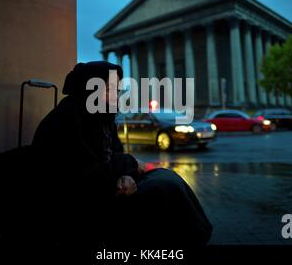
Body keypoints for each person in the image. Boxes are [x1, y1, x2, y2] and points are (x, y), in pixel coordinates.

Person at [31, 61, 212, 247]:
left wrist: (127, 175)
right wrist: (130, 164)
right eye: (108, 89)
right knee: (163, 187)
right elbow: (83, 175)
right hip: (78, 207)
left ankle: (195, 237)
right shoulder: (68, 118)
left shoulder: (100, 116)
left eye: (116, 90)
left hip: (105, 189)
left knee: (166, 178)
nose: (115, 96)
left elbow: (115, 153)